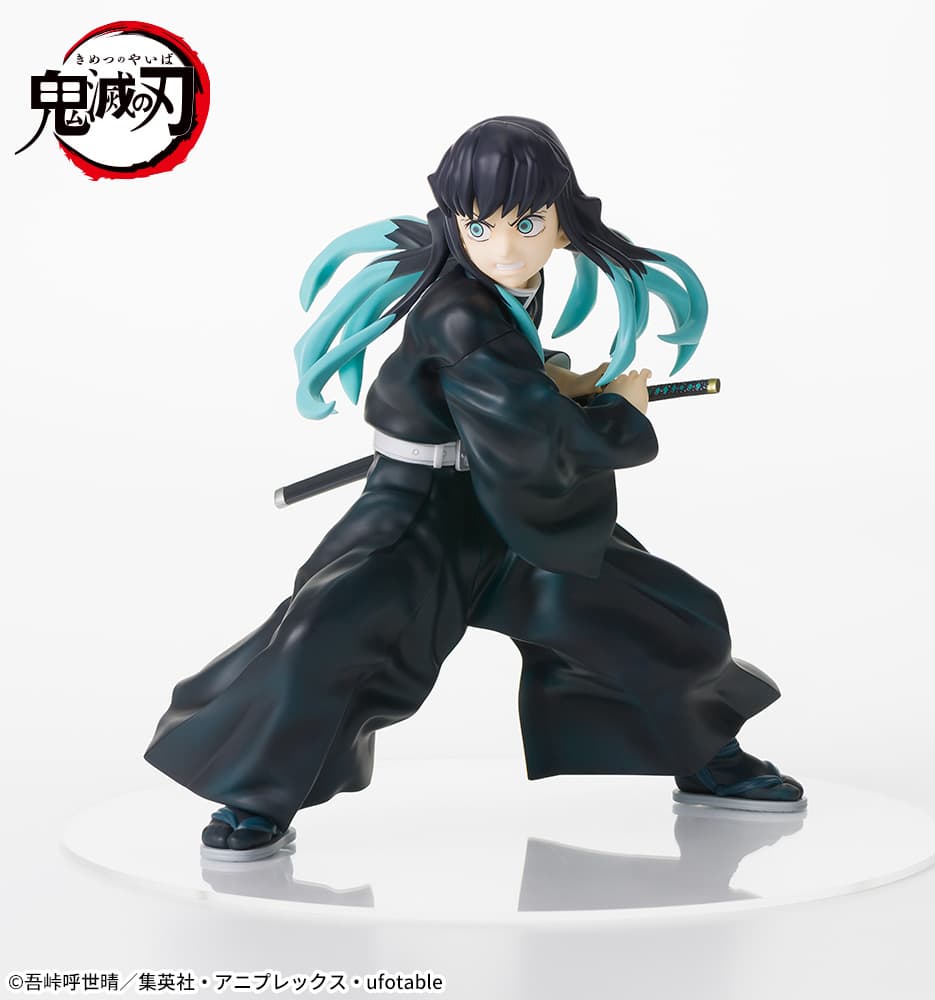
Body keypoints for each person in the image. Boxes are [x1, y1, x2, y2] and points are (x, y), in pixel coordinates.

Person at [145, 116, 805, 862]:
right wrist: (621, 409)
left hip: (503, 505)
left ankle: (706, 754)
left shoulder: (511, 285)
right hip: (420, 516)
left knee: (642, 614)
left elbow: (506, 394)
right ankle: (256, 795)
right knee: (328, 634)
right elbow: (538, 441)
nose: (505, 248)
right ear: (457, 223)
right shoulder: (458, 308)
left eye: (527, 224)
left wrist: (553, 384)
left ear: (563, 223)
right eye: (480, 226)